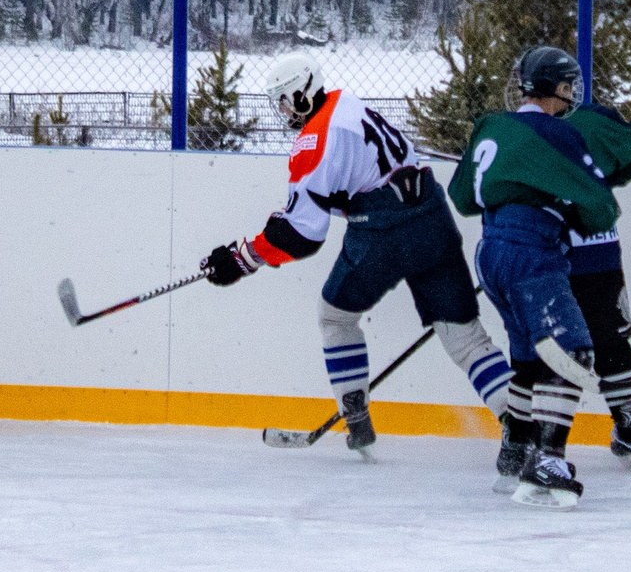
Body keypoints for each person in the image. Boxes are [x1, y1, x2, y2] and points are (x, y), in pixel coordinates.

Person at [199, 51, 514, 454]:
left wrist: (243, 258)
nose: (283, 110)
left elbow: (302, 234)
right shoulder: (347, 103)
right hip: (432, 218)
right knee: (466, 338)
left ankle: (356, 418)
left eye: (284, 98)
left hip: (382, 231)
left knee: (335, 316)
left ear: (302, 92)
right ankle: (519, 427)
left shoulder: (314, 139)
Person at [447, 47, 616, 508]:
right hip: (531, 250)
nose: (572, 93)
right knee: (571, 348)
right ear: (557, 88)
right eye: (568, 85)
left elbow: (462, 197)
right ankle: (548, 459)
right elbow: (602, 208)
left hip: (490, 252)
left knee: (527, 358)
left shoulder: (490, 127)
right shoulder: (561, 135)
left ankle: (514, 452)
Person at [562, 93, 631, 471]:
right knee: (611, 338)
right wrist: (606, 179)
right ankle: (630, 428)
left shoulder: (530, 126)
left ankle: (540, 437)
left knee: (551, 342)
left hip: (553, 247)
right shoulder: (591, 120)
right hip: (601, 243)